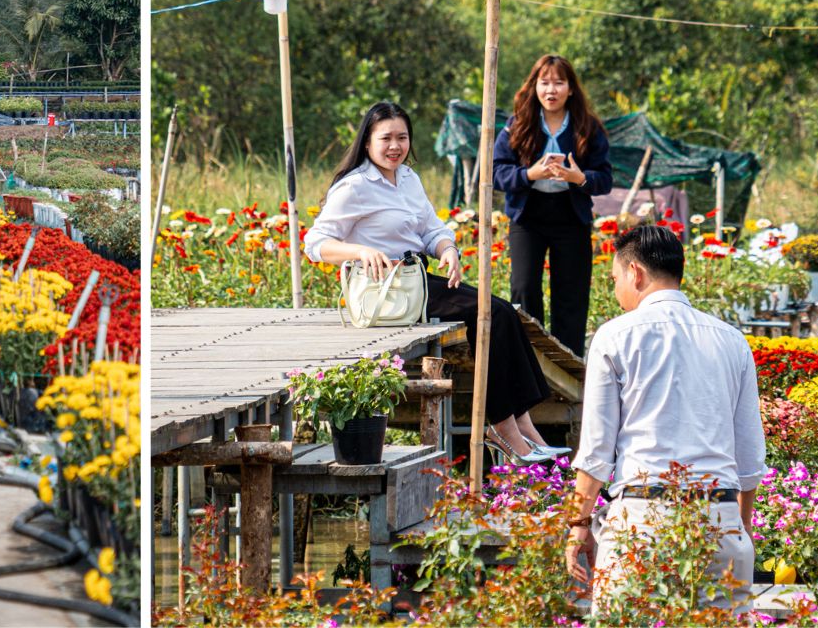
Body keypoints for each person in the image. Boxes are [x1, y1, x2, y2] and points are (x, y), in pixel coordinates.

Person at [305, 101, 564, 463]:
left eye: (402, 137)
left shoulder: (409, 179)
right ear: (367, 142)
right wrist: (360, 251)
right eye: (386, 139)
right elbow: (315, 243)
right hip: (386, 292)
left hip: (417, 281)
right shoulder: (355, 186)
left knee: (503, 310)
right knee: (489, 314)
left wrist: (448, 249)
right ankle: (504, 429)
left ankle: (524, 425)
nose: (395, 146)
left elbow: (432, 229)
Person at [564, 225, 766, 616]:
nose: (616, 289)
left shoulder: (615, 336)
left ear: (635, 273)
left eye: (615, 278)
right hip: (719, 519)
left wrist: (579, 524)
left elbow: (596, 450)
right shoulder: (730, 339)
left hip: (642, 522)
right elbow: (749, 458)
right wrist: (739, 530)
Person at [493, 54, 613, 356]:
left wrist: (578, 177)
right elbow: (494, 172)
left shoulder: (588, 128)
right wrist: (529, 174)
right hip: (528, 215)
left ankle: (569, 363)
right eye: (544, 82)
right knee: (523, 288)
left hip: (571, 216)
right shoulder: (517, 126)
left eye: (559, 82)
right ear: (534, 87)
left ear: (571, 88)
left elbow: (605, 179)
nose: (551, 90)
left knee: (571, 295)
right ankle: (531, 359)